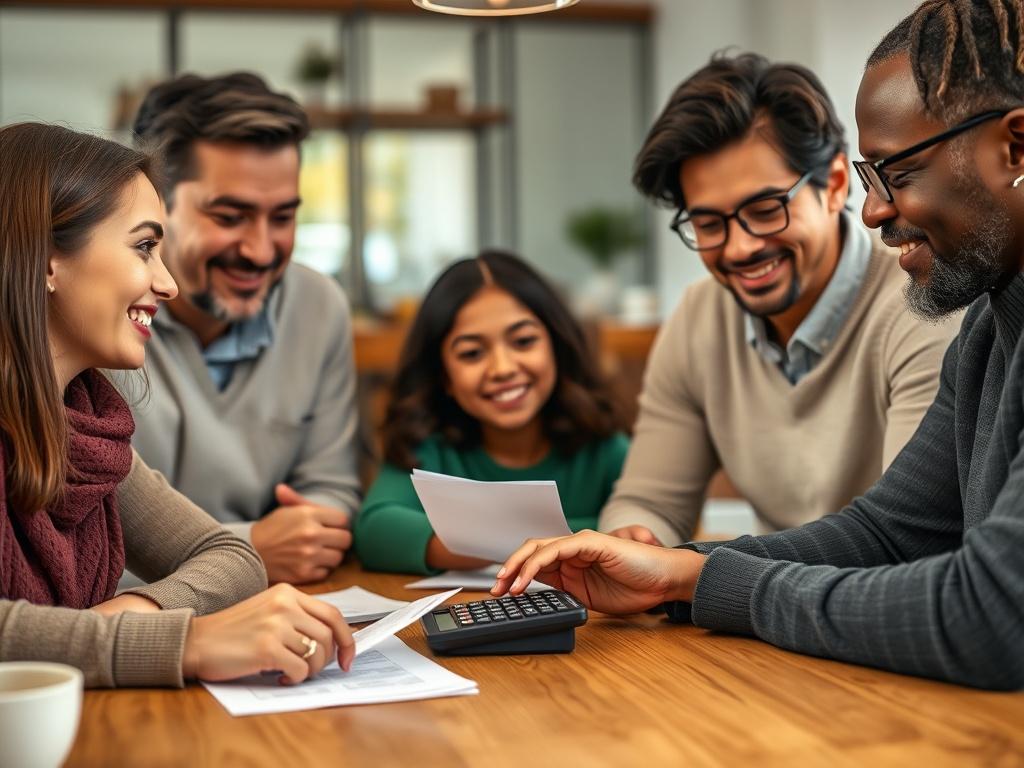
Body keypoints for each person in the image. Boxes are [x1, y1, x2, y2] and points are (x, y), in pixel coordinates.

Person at [493, 0, 1024, 690]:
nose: (876, 211)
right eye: (875, 178)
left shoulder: (933, 310)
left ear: (1015, 147)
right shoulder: (989, 324)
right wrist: (682, 572)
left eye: (901, 173)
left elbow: (987, 613)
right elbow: (889, 533)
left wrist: (711, 585)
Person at [0, 123, 354, 688]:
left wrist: (113, 624)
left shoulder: (85, 423)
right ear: (45, 258)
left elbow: (230, 557)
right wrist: (185, 640)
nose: (167, 284)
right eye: (144, 247)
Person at [598, 53, 959, 547]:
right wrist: (635, 541)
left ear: (833, 185)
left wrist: (693, 573)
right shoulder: (699, 318)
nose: (739, 247)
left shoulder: (921, 302)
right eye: (708, 224)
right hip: (764, 610)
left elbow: (900, 539)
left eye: (765, 210)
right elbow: (650, 500)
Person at [128, 72, 360, 585]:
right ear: (155, 205)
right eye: (230, 216)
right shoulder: (99, 320)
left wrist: (307, 533)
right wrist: (250, 548)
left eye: (282, 218)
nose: (260, 250)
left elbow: (332, 488)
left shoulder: (319, 307)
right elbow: (76, 554)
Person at [355, 251, 629, 574]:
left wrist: (470, 539)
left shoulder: (602, 444)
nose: (502, 369)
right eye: (472, 353)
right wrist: (577, 536)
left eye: (524, 341)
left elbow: (642, 525)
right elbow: (377, 528)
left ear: (556, 346)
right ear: (443, 375)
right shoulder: (428, 446)